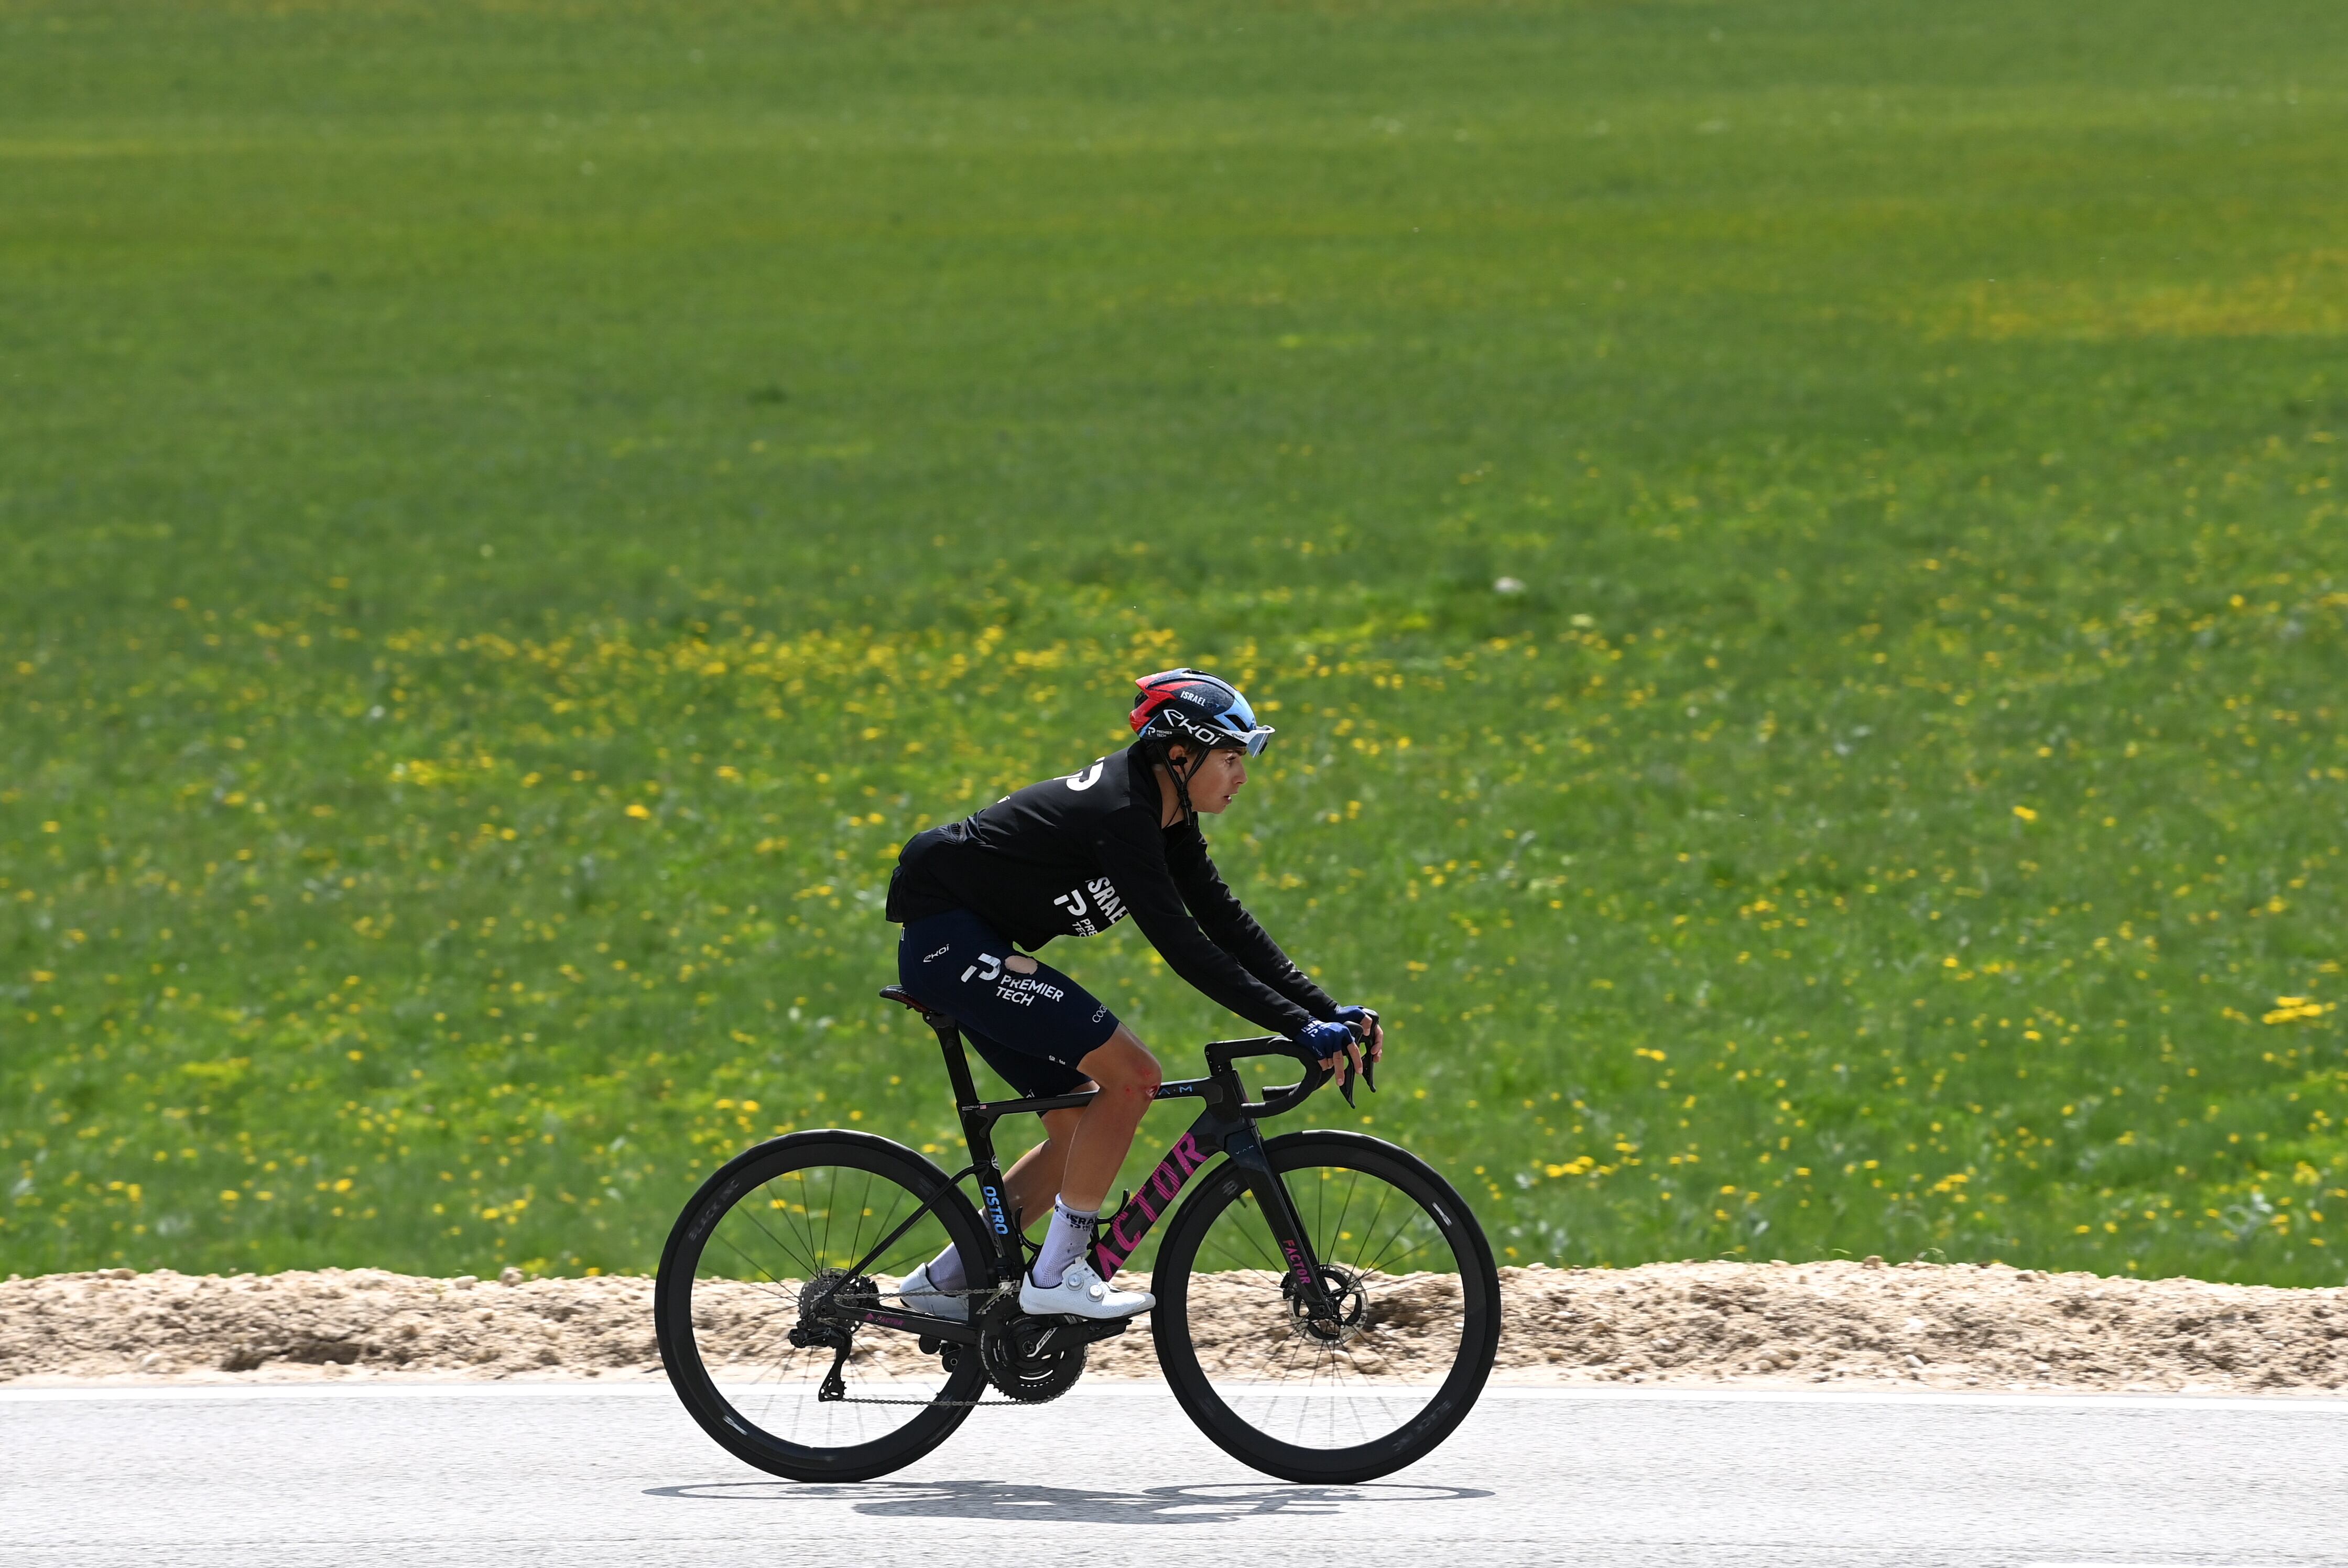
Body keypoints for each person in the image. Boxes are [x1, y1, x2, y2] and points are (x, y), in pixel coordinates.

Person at [883, 667, 1384, 1321]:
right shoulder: (1122, 815)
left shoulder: (1164, 815)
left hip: (970, 940)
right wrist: (1295, 1025)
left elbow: (1225, 921)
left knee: (1078, 1124)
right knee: (1133, 1076)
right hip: (948, 942)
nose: (1242, 776)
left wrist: (1322, 1010)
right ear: (1179, 754)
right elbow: (1184, 947)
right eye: (1231, 758)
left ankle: (946, 1281)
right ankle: (1056, 1274)